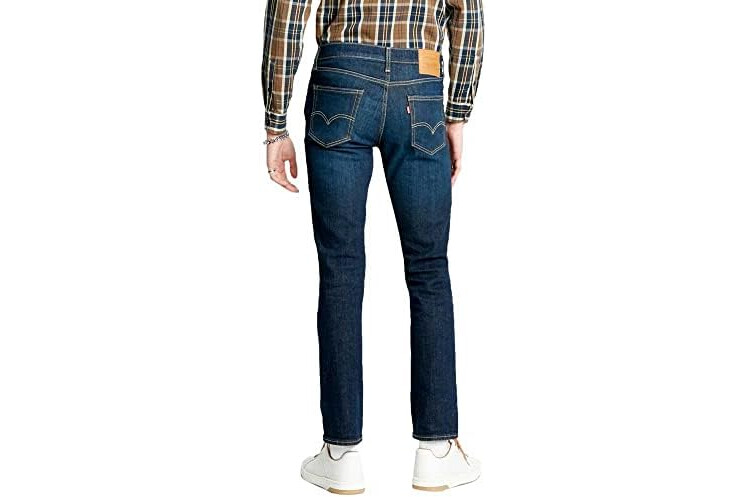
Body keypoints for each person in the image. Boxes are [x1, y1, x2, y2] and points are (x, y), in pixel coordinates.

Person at [262, 0, 484, 492]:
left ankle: (340, 453)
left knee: (340, 269)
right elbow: (467, 13)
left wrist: (275, 123)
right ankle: (437, 450)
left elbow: (288, 9)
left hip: (339, 79)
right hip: (420, 80)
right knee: (428, 269)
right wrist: (458, 113)